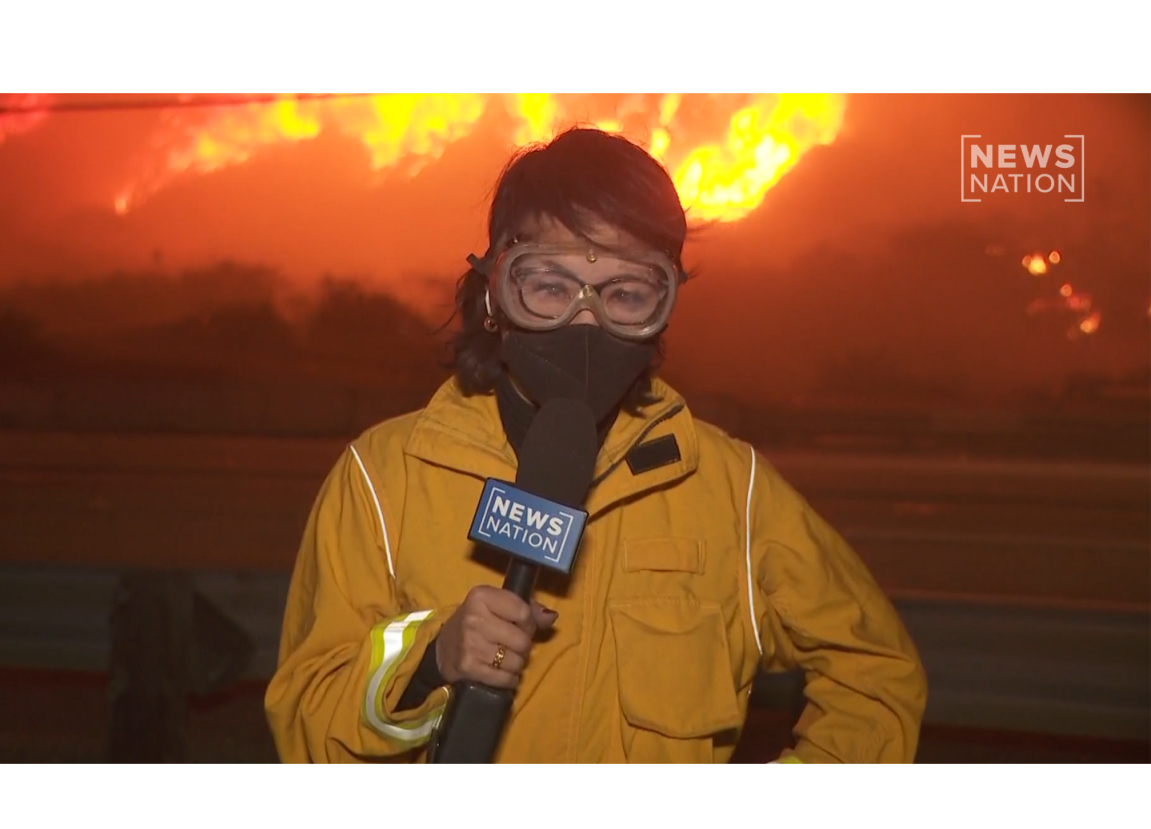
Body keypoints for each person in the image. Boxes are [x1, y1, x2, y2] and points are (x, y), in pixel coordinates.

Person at [264, 126, 928, 764]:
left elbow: (877, 674)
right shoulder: (385, 477)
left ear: (662, 309)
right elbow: (305, 715)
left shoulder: (731, 490)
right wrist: (431, 659)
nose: (586, 320)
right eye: (550, 286)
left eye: (626, 293)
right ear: (496, 287)